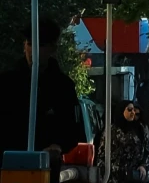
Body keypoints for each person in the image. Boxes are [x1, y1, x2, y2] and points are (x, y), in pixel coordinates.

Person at [0, 17, 87, 162]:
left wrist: (58, 145)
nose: (33, 51)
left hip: (46, 169)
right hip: (7, 166)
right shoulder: (6, 82)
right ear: (24, 46)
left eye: (40, 45)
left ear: (52, 48)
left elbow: (73, 131)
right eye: (30, 44)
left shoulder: (63, 87)